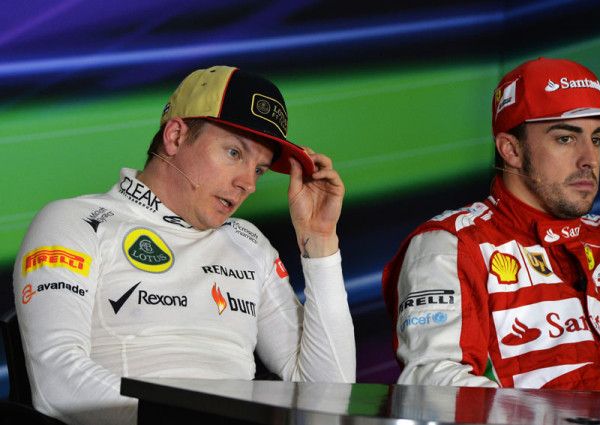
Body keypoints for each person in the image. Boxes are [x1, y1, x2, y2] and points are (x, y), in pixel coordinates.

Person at [13, 65, 356, 425]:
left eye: (259, 169)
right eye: (234, 153)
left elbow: (329, 396)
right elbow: (57, 384)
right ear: (175, 137)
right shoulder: (76, 221)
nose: (248, 184)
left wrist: (320, 243)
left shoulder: (249, 242)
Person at [382, 57, 600, 392]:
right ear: (511, 149)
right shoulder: (451, 245)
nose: (589, 159)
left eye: (596, 139)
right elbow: (434, 385)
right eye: (566, 138)